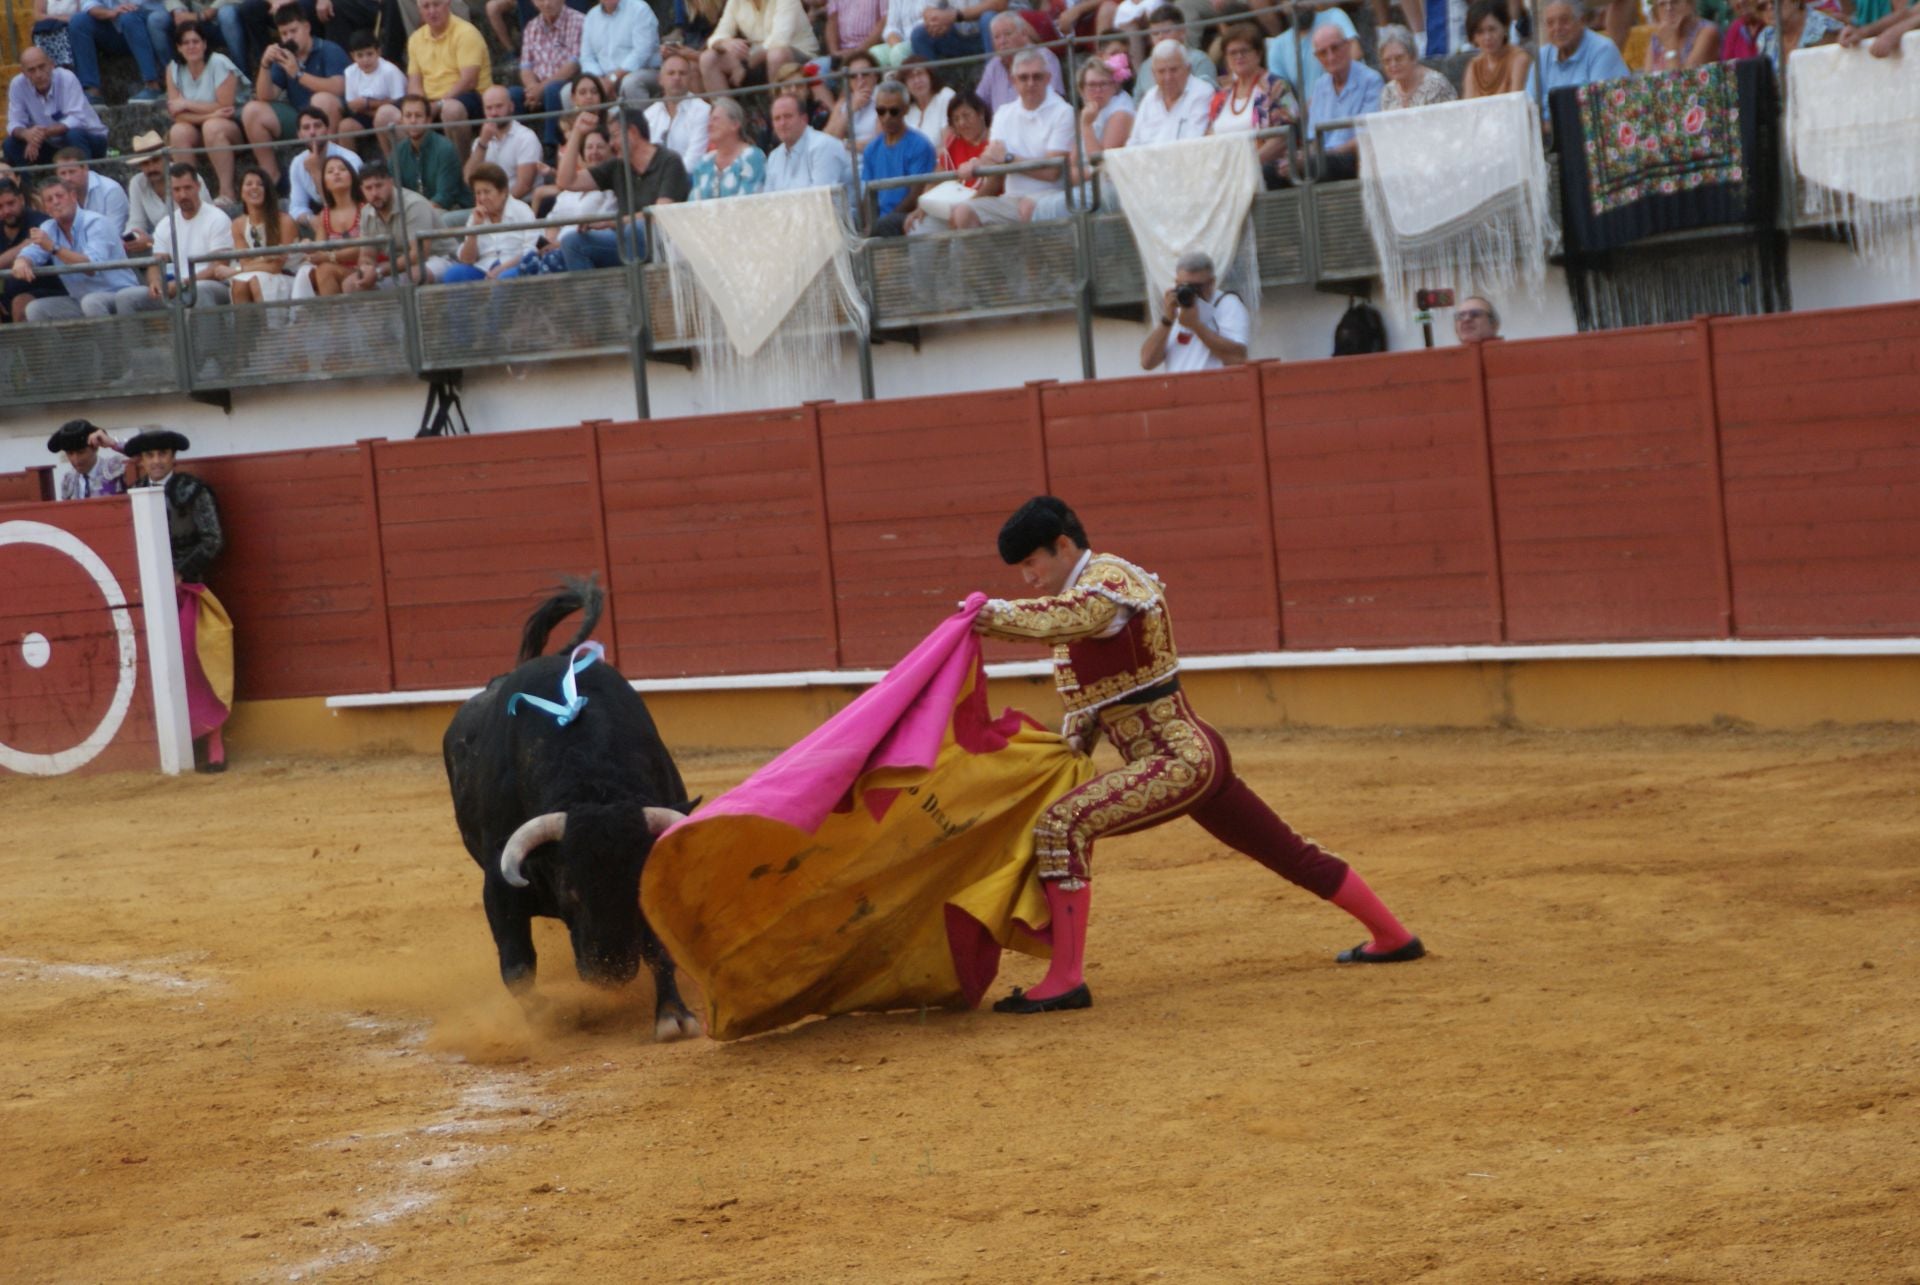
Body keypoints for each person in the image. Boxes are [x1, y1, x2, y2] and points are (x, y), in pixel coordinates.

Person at [972, 496, 1425, 1013]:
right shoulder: (1080, 601)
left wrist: (994, 616)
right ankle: (1393, 937)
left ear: (1063, 545)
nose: (1028, 577)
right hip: (1187, 757)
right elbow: (1094, 698)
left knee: (1062, 826)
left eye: (1031, 562)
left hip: (1178, 760)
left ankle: (1065, 980)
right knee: (1285, 850)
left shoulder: (1109, 581)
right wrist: (1071, 744)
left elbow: (1076, 616)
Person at [116, 427, 231, 774]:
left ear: (173, 458)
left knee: (192, 661)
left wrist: (180, 571)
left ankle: (213, 739)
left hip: (187, 591)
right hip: (144, 595)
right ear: (140, 461)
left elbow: (213, 539)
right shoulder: (132, 493)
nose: (156, 461)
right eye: (149, 456)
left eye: (162, 454)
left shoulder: (193, 491)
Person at [552, 106, 691, 270]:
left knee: (635, 229)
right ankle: (595, 295)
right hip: (626, 239)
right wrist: (577, 132)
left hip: (663, 241)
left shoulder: (669, 161)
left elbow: (659, 214)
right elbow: (565, 182)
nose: (611, 144)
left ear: (632, 132)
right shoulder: (618, 165)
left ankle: (639, 293)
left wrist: (612, 222)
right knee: (572, 242)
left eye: (615, 136)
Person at [949, 48, 1071, 228]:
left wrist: (1009, 159)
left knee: (1027, 208)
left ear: (1048, 79)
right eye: (1023, 77)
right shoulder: (1004, 113)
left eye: (1036, 77)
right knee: (963, 212)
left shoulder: (1064, 112)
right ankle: (988, 258)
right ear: (1013, 81)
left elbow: (1053, 172)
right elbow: (992, 157)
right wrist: (975, 163)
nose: (1030, 83)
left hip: (1052, 196)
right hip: (1011, 199)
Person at [106, 160, 237, 313]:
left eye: (188, 188)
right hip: (179, 286)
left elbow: (218, 266)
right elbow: (156, 262)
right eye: (177, 189)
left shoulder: (217, 218)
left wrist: (182, 284)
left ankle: (206, 338)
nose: (183, 195)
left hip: (214, 284)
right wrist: (155, 282)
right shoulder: (166, 223)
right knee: (126, 297)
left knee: (200, 290)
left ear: (198, 187)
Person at [241, 6, 347, 185]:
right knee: (252, 110)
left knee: (320, 100)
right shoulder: (285, 56)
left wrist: (298, 75)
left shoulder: (329, 49)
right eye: (284, 33)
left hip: (331, 115)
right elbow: (265, 96)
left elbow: (338, 88)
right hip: (299, 117)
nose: (289, 37)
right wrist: (265, 65)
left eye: (293, 31)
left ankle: (326, 166)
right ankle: (270, 177)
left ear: (307, 27)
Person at [10, 174, 140, 321]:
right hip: (80, 299)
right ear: (45, 207)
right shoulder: (48, 227)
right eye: (49, 200)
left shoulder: (96, 222)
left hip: (118, 293)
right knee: (35, 309)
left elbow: (91, 267)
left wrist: (54, 247)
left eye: (60, 196)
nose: (56, 202)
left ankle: (108, 345)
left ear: (73, 196)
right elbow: (32, 252)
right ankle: (54, 346)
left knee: (92, 302)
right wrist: (22, 261)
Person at [164, 20, 243, 204]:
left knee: (212, 127)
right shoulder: (173, 68)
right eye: (186, 42)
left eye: (196, 41)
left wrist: (186, 103)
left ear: (204, 44)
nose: (191, 46)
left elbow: (225, 106)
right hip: (201, 125)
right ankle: (190, 195)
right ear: (178, 47)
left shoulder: (219, 62)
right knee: (178, 131)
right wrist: (209, 114)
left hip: (233, 127)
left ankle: (227, 192)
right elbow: (177, 114)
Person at [1208, 23, 1294, 187]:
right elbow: (1209, 137)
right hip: (1225, 172)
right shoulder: (1220, 96)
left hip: (1263, 169)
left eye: (1244, 51)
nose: (1238, 57)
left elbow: (1284, 137)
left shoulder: (1277, 86)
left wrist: (1245, 165)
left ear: (1258, 54)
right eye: (1232, 53)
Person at [407, 0, 492, 157]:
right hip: (430, 102)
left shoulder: (466, 33)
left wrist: (438, 105)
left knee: (451, 109)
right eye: (426, 6)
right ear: (420, 10)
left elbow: (469, 81)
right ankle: (410, 171)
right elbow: (414, 81)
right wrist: (419, 107)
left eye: (436, 4)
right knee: (387, 115)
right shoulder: (415, 39)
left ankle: (460, 171)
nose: (432, 11)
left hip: (469, 97)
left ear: (448, 4)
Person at [1139, 249, 1246, 371]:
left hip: (1216, 387)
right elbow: (1147, 362)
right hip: (1179, 388)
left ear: (1212, 282)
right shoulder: (1176, 305)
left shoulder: (1227, 304)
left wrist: (1195, 325)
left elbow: (1237, 357)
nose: (1192, 292)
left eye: (1197, 287)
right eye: (1184, 286)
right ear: (1176, 283)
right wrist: (1167, 320)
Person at [905, 86, 995, 230]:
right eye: (956, 119)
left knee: (960, 228)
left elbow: (994, 185)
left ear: (981, 114)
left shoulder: (995, 140)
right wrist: (923, 204)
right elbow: (936, 178)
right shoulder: (954, 143)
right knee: (918, 226)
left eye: (966, 115)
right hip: (953, 207)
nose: (962, 123)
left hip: (985, 207)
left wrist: (965, 209)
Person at [352, 157, 452, 286]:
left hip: (439, 258)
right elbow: (367, 254)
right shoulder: (366, 212)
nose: (374, 193)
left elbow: (419, 255)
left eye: (379, 186)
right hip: (399, 266)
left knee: (415, 275)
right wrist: (366, 268)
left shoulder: (413, 205)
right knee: (351, 283)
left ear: (390, 182)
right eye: (368, 188)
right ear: (362, 190)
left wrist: (379, 270)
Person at [7, 48, 111, 167]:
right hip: (51, 145)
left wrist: (41, 134)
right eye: (31, 70)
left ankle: (87, 180)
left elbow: (76, 119)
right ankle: (25, 185)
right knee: (10, 144)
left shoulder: (66, 78)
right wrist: (26, 134)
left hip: (90, 140)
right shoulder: (18, 85)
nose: (38, 74)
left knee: (73, 135)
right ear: (24, 72)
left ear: (52, 64)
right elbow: (14, 122)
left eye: (42, 67)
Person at [1306, 21, 1381, 179]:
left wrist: (1329, 154)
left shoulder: (1371, 80)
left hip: (1356, 157)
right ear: (1317, 58)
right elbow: (1314, 138)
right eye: (1323, 53)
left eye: (1335, 48)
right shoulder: (1320, 86)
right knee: (1277, 170)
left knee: (1317, 165)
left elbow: (1366, 136)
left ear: (1347, 46)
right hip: (1326, 159)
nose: (1331, 57)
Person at [863, 79, 937, 234]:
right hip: (882, 220)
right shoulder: (871, 149)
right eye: (881, 111)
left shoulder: (919, 145)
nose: (887, 117)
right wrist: (870, 223)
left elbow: (915, 195)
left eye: (894, 111)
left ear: (905, 110)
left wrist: (880, 224)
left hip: (909, 215)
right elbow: (869, 195)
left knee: (883, 226)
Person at [439, 162, 537, 279]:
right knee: (453, 274)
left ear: (503, 192)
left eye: (487, 192)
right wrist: (475, 228)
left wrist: (502, 268)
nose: (482, 198)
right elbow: (467, 260)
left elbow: (531, 249)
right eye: (478, 193)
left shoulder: (522, 211)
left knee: (504, 278)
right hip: (484, 267)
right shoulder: (475, 216)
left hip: (514, 266)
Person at [123, 133, 213, 255]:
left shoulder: (188, 178)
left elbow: (203, 219)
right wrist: (133, 238)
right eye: (145, 163)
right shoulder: (137, 183)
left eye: (155, 160)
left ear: (167, 158)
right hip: (161, 246)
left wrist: (152, 241)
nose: (151, 168)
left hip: (198, 242)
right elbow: (136, 221)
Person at [1526, 0, 1630, 102]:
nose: (1557, 28)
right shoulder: (1542, 57)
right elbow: (1529, 103)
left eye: (1564, 20)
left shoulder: (1603, 50)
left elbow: (1599, 106)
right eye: (1550, 23)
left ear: (1581, 20)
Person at [699, 0, 818, 89]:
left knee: (776, 54)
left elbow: (779, 40)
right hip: (758, 57)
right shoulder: (735, 1)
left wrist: (746, 64)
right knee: (708, 58)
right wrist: (724, 43)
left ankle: (777, 111)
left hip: (799, 55)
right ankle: (727, 113)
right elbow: (717, 36)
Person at [69, 0, 168, 102]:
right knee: (78, 21)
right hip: (114, 28)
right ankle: (92, 91)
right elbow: (90, 6)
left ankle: (152, 84)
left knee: (128, 17)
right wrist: (111, 12)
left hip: (144, 25)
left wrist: (123, 9)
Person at [519, 0, 587, 145]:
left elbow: (573, 65)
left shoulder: (579, 21)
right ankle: (520, 145)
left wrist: (540, 88)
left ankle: (550, 145)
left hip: (567, 81)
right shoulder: (531, 27)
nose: (547, 3)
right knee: (511, 96)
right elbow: (525, 66)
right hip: (538, 86)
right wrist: (532, 88)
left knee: (552, 91)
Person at [0, 178, 69, 323]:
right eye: (0, 206)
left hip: (48, 289)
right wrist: (20, 248)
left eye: (11, 203)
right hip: (8, 293)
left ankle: (28, 347)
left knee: (21, 303)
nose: (6, 211)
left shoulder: (41, 222)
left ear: (21, 199)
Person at [228, 164, 299, 302]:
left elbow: (276, 266)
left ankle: (267, 324)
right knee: (240, 283)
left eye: (260, 184)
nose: (254, 187)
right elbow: (245, 262)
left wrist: (235, 270)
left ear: (267, 190)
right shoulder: (238, 224)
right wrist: (266, 258)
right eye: (248, 184)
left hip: (285, 275)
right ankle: (245, 324)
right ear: (241, 192)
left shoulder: (285, 221)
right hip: (254, 275)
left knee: (255, 280)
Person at [763, 87, 855, 192]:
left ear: (804, 119)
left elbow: (821, 199)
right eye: (777, 118)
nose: (782, 123)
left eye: (788, 116)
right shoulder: (774, 156)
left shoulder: (823, 146)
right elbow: (769, 200)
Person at [392, 92, 472, 211]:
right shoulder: (398, 152)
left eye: (418, 116)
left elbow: (444, 198)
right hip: (417, 215)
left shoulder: (445, 148)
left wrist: (416, 216)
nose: (413, 121)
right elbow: (394, 193)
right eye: (408, 116)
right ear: (401, 121)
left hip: (453, 210)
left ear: (428, 120)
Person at [285, 106, 364, 223]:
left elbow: (341, 204)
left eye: (317, 126)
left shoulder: (349, 159)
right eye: (306, 128)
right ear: (300, 135)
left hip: (354, 215)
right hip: (321, 218)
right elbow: (296, 207)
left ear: (327, 130)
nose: (312, 132)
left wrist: (316, 172)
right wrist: (311, 220)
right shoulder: (298, 163)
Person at [974, 12, 1064, 112]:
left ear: (1024, 34)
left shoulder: (1044, 58)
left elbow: (1054, 101)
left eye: (1007, 34)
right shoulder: (993, 65)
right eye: (997, 37)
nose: (1002, 41)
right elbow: (977, 104)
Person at [1131, 37, 1214, 143]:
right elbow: (1134, 142)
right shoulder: (1149, 98)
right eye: (1161, 71)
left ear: (1188, 69)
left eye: (1174, 70)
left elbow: (1194, 142)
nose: (1168, 77)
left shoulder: (1202, 93)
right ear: (1153, 74)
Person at [302, 153, 366, 292]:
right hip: (341, 268)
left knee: (325, 270)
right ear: (324, 183)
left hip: (369, 268)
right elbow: (320, 250)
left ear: (352, 177)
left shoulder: (365, 208)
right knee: (316, 272)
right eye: (330, 171)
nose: (336, 173)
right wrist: (309, 248)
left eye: (342, 169)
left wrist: (329, 256)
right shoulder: (324, 215)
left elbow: (365, 247)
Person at [466, 85, 543, 200]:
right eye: (489, 108)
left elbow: (524, 186)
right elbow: (469, 178)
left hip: (521, 204)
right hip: (489, 206)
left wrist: (499, 205)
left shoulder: (526, 137)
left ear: (511, 107)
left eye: (499, 106)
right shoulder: (480, 142)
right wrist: (483, 143)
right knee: (449, 219)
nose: (494, 113)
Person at [688, 97, 768, 199]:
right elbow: (693, 203)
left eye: (715, 119)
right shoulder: (704, 163)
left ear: (735, 124)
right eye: (709, 120)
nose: (709, 125)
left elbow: (748, 203)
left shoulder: (752, 157)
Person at [342, 27, 407, 149]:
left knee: (382, 117)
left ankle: (390, 162)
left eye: (369, 54)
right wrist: (368, 107)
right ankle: (350, 164)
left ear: (378, 52)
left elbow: (399, 100)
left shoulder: (390, 70)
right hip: (366, 114)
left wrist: (367, 103)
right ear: (352, 56)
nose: (365, 60)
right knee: (345, 126)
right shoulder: (350, 72)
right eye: (360, 56)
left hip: (391, 113)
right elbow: (352, 104)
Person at [580, 0, 663, 94]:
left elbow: (642, 52)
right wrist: (599, 81)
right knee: (568, 92)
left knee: (630, 83)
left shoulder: (639, 9)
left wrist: (613, 78)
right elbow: (587, 58)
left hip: (642, 71)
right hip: (603, 78)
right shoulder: (591, 16)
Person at [643, 51, 713, 162]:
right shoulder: (648, 115)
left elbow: (695, 160)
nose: (677, 78)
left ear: (690, 79)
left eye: (682, 73)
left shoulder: (703, 111)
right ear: (660, 80)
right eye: (671, 73)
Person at [54, 146, 130, 238]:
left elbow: (112, 235)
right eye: (63, 173)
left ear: (85, 168)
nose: (68, 178)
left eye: (72, 172)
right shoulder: (58, 196)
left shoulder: (110, 190)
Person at [1378, 24, 1457, 108]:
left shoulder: (1435, 85)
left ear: (1413, 56)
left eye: (1399, 58)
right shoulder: (1388, 92)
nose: (1393, 64)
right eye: (1387, 61)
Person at [1461, 0, 1530, 98]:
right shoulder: (1474, 66)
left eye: (1492, 29)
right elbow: (1467, 107)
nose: (1487, 37)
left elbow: (1515, 104)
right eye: (1480, 32)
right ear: (1473, 37)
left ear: (1505, 27)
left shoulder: (1518, 60)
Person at [47, 419, 129, 500]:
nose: (76, 459)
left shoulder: (115, 466)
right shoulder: (68, 480)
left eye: (81, 452)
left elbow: (140, 455)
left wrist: (114, 443)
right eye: (70, 453)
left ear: (95, 448)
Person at [1756, 0, 1843, 72]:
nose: (1769, 8)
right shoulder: (1765, 38)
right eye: (1762, 6)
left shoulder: (1824, 29)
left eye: (1775, 2)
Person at [1144, 5, 1219, 88]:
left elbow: (1208, 93)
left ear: (1182, 32)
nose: (1160, 37)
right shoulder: (1145, 67)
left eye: (1166, 31)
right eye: (1155, 33)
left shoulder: (1200, 60)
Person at [826, 50, 883, 153]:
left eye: (865, 74)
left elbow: (882, 143)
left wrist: (844, 144)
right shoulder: (843, 103)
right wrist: (850, 109)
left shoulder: (884, 97)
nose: (860, 79)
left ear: (875, 76)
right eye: (853, 76)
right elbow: (827, 140)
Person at [898, 58, 955, 150]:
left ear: (930, 75)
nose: (917, 81)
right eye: (910, 77)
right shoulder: (906, 109)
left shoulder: (945, 96)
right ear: (905, 84)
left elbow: (949, 145)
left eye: (920, 74)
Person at [1643, 0, 1716, 70]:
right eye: (1662, 4)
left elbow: (1686, 81)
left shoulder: (1706, 32)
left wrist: (1671, 48)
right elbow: (1647, 80)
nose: (1669, 8)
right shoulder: (1658, 38)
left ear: (1689, 4)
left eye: (1675, 2)